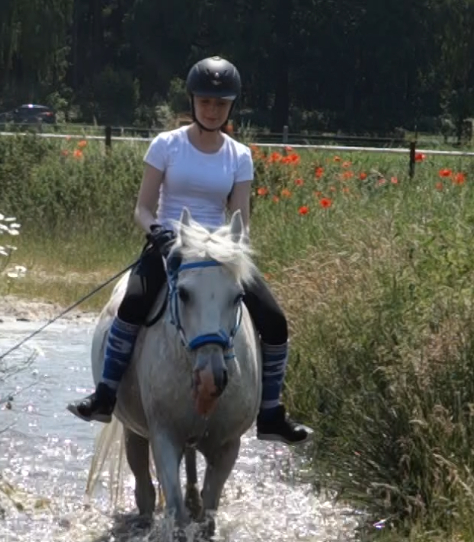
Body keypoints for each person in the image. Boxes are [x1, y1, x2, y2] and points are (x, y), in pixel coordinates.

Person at [67, 55, 309, 445]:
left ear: (231, 106)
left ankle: (270, 412)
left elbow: (241, 219)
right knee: (132, 304)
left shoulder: (239, 155)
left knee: (275, 321)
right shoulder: (167, 145)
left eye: (221, 103)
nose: (212, 110)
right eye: (206, 102)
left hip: (218, 254)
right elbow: (143, 208)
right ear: (193, 102)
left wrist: (231, 249)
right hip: (171, 247)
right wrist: (159, 233)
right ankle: (106, 394)